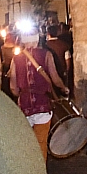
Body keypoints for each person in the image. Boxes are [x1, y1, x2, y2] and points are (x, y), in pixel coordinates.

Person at [9, 33, 65, 161]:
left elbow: (13, 87)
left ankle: (27, 170)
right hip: (42, 106)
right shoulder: (46, 54)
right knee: (41, 143)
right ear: (36, 40)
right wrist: (63, 88)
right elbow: (55, 78)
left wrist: (21, 95)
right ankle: (40, 171)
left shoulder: (16, 59)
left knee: (26, 144)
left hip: (24, 107)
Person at [44, 23, 72, 95]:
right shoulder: (64, 45)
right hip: (61, 72)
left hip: (48, 74)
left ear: (48, 34)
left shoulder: (44, 46)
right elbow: (67, 60)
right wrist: (66, 71)